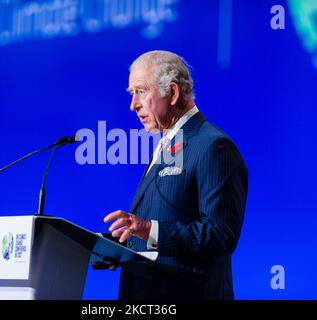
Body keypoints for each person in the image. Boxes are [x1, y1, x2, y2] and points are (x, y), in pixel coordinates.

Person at [103, 50, 248, 300]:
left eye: (141, 91)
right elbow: (165, 223)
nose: (133, 105)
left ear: (173, 92)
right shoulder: (168, 143)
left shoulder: (213, 146)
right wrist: (117, 247)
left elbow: (221, 234)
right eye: (132, 93)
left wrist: (150, 229)